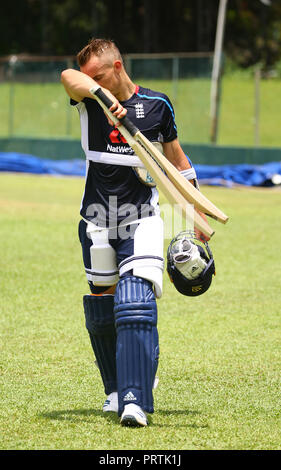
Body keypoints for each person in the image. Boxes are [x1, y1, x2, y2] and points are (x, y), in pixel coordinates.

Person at [61, 38, 206, 427]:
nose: (95, 81)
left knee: (135, 302)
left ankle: (135, 399)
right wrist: (100, 94)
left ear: (119, 66)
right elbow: (68, 76)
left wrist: (194, 214)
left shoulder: (158, 106)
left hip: (141, 217)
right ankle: (114, 390)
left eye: (101, 74)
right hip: (95, 220)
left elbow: (177, 161)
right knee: (102, 309)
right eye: (92, 77)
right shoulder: (91, 100)